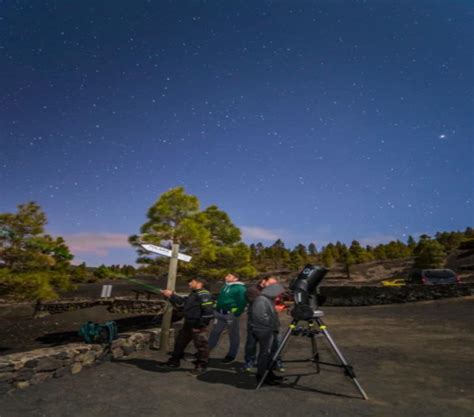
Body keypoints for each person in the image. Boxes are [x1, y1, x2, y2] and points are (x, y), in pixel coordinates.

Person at [160, 277, 214, 374]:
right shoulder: (194, 293)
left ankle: (201, 366)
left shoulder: (204, 294)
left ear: (199, 283)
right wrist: (171, 295)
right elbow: (184, 303)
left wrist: (201, 324)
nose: (189, 283)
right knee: (180, 343)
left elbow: (208, 311)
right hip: (188, 323)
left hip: (197, 325)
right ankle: (174, 362)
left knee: (201, 346)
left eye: (191, 282)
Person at [244, 276, 283, 372]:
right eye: (270, 283)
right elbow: (258, 304)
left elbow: (279, 302)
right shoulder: (252, 290)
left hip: (273, 320)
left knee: (277, 341)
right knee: (252, 343)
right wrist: (274, 306)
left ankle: (275, 361)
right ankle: (250, 361)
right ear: (263, 281)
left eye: (274, 284)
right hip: (255, 321)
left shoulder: (272, 291)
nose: (272, 286)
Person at [251, 282, 286, 385]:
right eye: (279, 294)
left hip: (269, 330)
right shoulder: (261, 300)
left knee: (270, 353)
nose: (279, 296)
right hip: (265, 331)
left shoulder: (267, 300)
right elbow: (261, 317)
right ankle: (262, 376)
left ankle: (268, 374)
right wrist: (273, 324)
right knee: (265, 353)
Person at [208, 273, 247, 364]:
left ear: (236, 278)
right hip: (219, 313)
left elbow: (242, 302)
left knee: (233, 335)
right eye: (226, 276)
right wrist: (216, 308)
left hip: (231, 315)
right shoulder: (225, 286)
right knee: (215, 333)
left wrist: (236, 313)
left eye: (229, 276)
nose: (226, 277)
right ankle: (205, 352)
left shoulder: (241, 288)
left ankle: (231, 355)